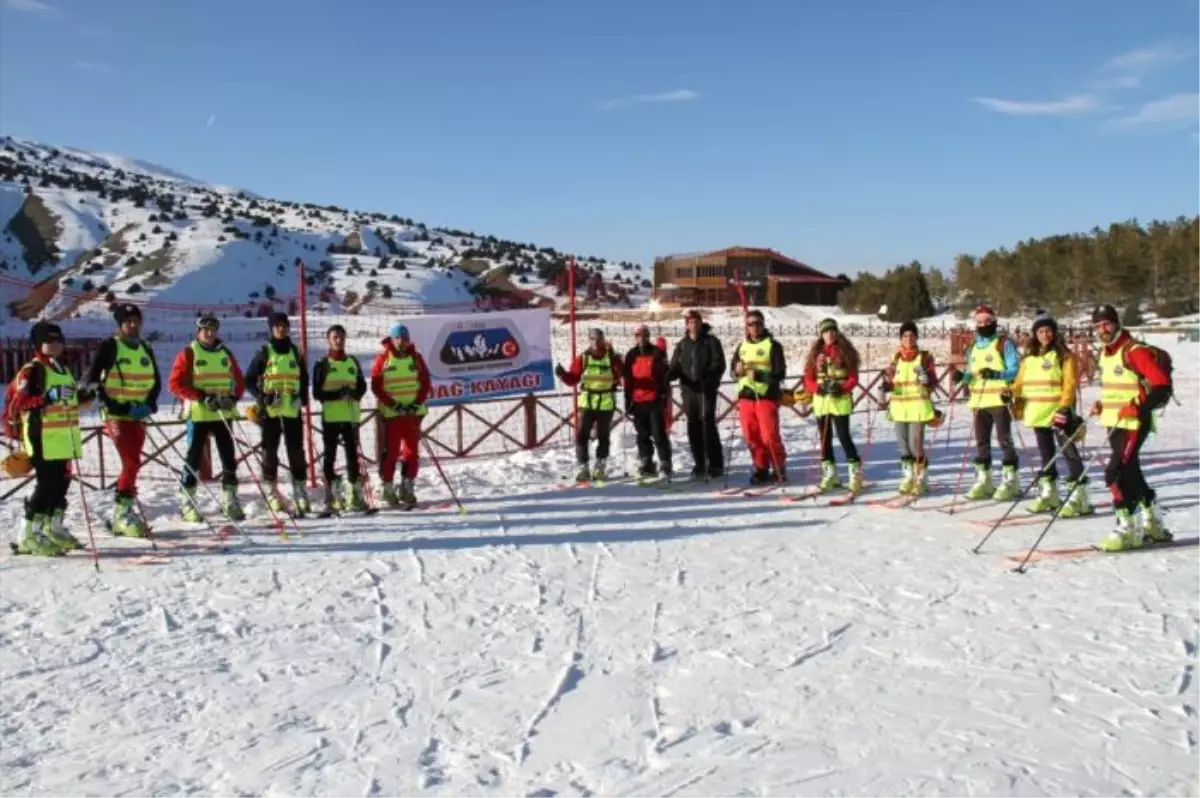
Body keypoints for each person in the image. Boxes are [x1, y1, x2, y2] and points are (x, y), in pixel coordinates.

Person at [1088, 303, 1173, 551]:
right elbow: (1119, 387)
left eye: (1106, 323)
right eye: (1097, 325)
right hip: (1114, 422)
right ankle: (1154, 524)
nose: (1102, 329)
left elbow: (1161, 385)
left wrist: (1137, 407)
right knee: (1132, 471)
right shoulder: (1106, 353)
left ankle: (1128, 529)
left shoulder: (1133, 350)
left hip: (1134, 422)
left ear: (1116, 323)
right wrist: (1103, 404)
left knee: (1115, 473)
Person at [9, 321, 95, 555]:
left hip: (63, 437)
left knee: (61, 484)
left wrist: (83, 397)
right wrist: (48, 396)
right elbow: (21, 402)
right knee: (46, 485)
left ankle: (51, 527)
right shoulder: (33, 370)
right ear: (38, 344)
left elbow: (67, 402)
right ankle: (28, 534)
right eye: (49, 340)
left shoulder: (62, 368)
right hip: (41, 437)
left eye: (59, 340)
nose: (55, 344)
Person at [83, 302, 162, 537]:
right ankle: (122, 512)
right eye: (128, 321)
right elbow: (94, 380)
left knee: (135, 461)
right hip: (117, 414)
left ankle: (123, 508)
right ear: (120, 325)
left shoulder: (145, 347)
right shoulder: (109, 346)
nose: (132, 325)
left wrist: (149, 404)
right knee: (131, 461)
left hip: (139, 414)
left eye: (136, 321)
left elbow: (155, 380)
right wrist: (119, 405)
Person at [1010, 313, 1091, 517]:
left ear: (1054, 333)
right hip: (1036, 412)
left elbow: (1070, 383)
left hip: (1058, 412)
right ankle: (1049, 493)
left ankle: (1079, 496)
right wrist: (1009, 392)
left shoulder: (1064, 356)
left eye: (1048, 331)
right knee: (1046, 454)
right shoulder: (1029, 358)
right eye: (1040, 331)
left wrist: (1064, 407)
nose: (1045, 335)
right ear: (1035, 334)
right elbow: (1020, 383)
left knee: (1069, 451)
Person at [168, 314, 246, 521]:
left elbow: (238, 381)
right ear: (198, 332)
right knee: (194, 457)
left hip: (222, 411)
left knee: (229, 457)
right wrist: (201, 396)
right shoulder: (189, 352)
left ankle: (230, 499)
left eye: (213, 329)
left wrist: (233, 398)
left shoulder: (225, 353)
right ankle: (188, 500)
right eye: (205, 330)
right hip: (199, 412)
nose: (210, 333)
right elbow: (175, 383)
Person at [950, 305, 1021, 501]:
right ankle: (984, 480)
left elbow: (1015, 370)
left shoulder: (1003, 344)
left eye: (987, 322)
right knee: (981, 441)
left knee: (1004, 440)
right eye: (979, 323)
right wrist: (961, 377)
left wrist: (996, 373)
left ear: (994, 322)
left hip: (999, 398)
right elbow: (973, 375)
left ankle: (1011, 481)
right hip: (979, 400)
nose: (983, 325)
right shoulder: (973, 347)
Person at [245, 312, 311, 514]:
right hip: (271, 411)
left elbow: (303, 379)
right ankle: (271, 491)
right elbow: (248, 379)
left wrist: (303, 398)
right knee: (270, 453)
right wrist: (261, 397)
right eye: (277, 326)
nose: (281, 329)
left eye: (284, 325)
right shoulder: (265, 352)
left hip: (291, 409)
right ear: (271, 329)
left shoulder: (295, 352)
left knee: (296, 452)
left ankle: (300, 490)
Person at [370, 323, 431, 507]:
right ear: (392, 338)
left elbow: (425, 383)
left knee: (411, 452)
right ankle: (387, 486)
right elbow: (376, 385)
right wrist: (393, 404)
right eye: (397, 337)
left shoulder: (416, 358)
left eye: (404, 338)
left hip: (412, 413)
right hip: (392, 413)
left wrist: (415, 404)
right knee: (392, 452)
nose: (401, 341)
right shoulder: (384, 358)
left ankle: (407, 485)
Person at [312, 324, 369, 511]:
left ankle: (355, 495)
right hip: (331, 416)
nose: (339, 340)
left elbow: (362, 387)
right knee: (330, 456)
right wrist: (337, 394)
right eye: (335, 337)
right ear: (328, 340)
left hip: (351, 416)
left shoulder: (352, 361)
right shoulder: (322, 363)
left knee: (353, 456)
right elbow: (317, 392)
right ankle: (332, 495)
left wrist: (352, 393)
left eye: (342, 337)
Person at [803, 318, 864, 493]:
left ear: (837, 332)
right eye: (826, 332)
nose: (830, 335)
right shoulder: (815, 354)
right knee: (824, 439)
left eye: (832, 331)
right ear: (821, 335)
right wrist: (817, 388)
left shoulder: (846, 352)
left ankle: (855, 475)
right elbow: (808, 378)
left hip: (840, 400)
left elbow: (853, 378)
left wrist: (842, 388)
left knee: (844, 436)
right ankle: (830, 475)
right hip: (822, 402)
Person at [556, 327, 622, 482]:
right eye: (594, 339)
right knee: (581, 436)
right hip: (587, 403)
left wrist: (619, 363)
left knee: (603, 436)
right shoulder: (583, 358)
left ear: (603, 340)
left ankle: (600, 466)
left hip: (606, 403)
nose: (597, 342)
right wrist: (562, 374)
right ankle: (583, 467)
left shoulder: (612, 358)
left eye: (599, 339)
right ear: (589, 340)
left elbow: (620, 376)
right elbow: (573, 379)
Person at [730, 308, 787, 484]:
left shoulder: (773, 346)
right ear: (746, 327)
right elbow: (733, 373)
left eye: (758, 323)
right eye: (750, 324)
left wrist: (761, 376)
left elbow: (780, 373)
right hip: (746, 397)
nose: (754, 327)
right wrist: (736, 371)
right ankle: (761, 467)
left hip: (766, 396)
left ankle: (779, 467)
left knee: (769, 435)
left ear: (763, 324)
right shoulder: (741, 347)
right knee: (751, 436)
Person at [668, 309, 726, 479]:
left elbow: (719, 364)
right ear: (686, 325)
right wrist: (667, 375)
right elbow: (675, 366)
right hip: (689, 391)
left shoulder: (711, 341)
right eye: (690, 322)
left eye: (696, 321)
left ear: (701, 323)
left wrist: (708, 379)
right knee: (693, 426)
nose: (694, 325)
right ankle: (699, 463)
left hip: (705, 390)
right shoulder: (682, 344)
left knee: (707, 424)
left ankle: (715, 463)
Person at [880, 321, 936, 495]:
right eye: (905, 336)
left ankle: (921, 478)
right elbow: (893, 382)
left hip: (918, 407)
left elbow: (934, 382)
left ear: (916, 337)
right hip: (899, 408)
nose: (908, 338)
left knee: (915, 445)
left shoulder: (925, 357)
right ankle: (907, 476)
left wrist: (927, 380)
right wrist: (888, 386)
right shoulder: (896, 358)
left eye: (912, 335)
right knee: (903, 446)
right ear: (900, 339)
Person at [622, 325, 671, 479]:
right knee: (642, 434)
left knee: (658, 432)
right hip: (638, 400)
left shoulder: (656, 353)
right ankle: (646, 461)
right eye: (638, 335)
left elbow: (664, 376)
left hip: (655, 399)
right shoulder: (631, 355)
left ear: (648, 337)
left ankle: (665, 462)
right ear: (635, 337)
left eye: (644, 335)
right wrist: (627, 400)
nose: (641, 338)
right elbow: (627, 380)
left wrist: (664, 396)